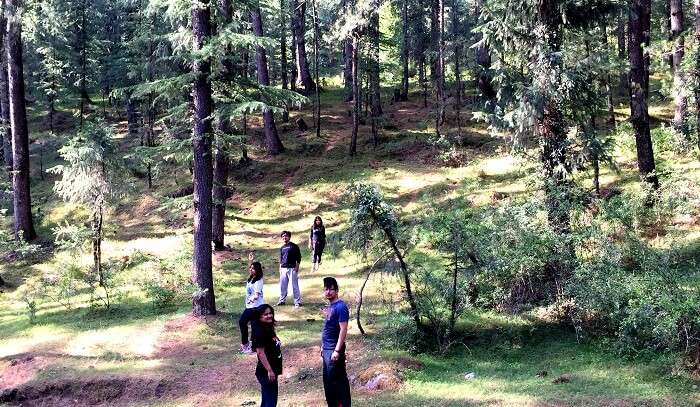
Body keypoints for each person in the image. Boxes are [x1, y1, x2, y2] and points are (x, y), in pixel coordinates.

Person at [320, 277, 351, 407]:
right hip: (327, 350)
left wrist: (337, 350)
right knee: (328, 382)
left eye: (331, 289)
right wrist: (323, 346)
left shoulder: (341, 306)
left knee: (337, 381)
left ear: (337, 290)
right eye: (326, 289)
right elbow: (328, 328)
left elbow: (343, 329)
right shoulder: (330, 306)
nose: (328, 292)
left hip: (334, 350)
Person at [251, 304, 282, 407]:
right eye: (266, 314)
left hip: (272, 369)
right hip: (266, 372)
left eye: (270, 313)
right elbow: (260, 353)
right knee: (271, 402)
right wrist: (270, 370)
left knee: (267, 400)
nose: (269, 316)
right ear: (260, 316)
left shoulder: (268, 328)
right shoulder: (260, 332)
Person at [239, 261, 264, 354]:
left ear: (257, 270)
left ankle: (250, 346)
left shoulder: (259, 280)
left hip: (256, 307)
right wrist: (250, 260)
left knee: (252, 325)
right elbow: (251, 267)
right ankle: (246, 344)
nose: (250, 269)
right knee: (244, 323)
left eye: (253, 268)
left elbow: (257, 295)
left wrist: (251, 299)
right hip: (250, 306)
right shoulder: (251, 278)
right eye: (250, 268)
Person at [278, 231, 302, 307]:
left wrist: (297, 266)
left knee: (294, 285)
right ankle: (282, 300)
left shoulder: (294, 246)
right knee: (283, 285)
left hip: (292, 268)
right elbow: (281, 259)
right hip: (283, 268)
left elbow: (298, 257)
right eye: (283, 236)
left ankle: (297, 301)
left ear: (289, 237)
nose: (284, 237)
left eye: (286, 236)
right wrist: (280, 268)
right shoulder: (282, 248)